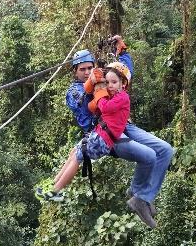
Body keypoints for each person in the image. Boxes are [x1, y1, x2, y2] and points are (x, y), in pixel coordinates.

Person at [45, 43, 174, 229]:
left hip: (123, 124)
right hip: (104, 132)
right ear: (75, 71)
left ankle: (144, 196)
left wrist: (122, 51)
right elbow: (86, 104)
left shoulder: (106, 81)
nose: (87, 71)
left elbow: (122, 74)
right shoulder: (74, 91)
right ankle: (138, 194)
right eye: (83, 69)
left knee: (165, 150)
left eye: (90, 67)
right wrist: (94, 85)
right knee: (148, 156)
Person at [37, 66, 130, 204]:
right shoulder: (113, 95)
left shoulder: (123, 97)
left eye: (114, 82)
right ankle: (53, 183)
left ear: (123, 84)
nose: (110, 85)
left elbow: (105, 107)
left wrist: (100, 91)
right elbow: (93, 106)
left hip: (104, 140)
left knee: (78, 156)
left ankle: (56, 191)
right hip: (98, 135)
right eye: (108, 82)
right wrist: (95, 86)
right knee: (74, 151)